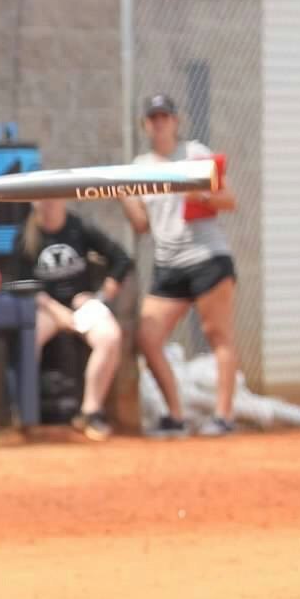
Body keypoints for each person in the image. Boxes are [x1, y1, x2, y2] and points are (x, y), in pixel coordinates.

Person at [119, 94, 239, 436]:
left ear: (175, 121)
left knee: (219, 334)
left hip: (206, 257)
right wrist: (126, 198)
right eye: (153, 117)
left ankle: (223, 415)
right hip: (168, 262)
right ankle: (176, 414)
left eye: (165, 117)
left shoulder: (194, 154)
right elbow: (142, 226)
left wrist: (198, 193)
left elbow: (229, 199)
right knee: (148, 336)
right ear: (145, 124)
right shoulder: (139, 167)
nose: (159, 123)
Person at [21, 199, 133, 441]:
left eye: (51, 198)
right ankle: (27, 416)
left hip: (80, 305)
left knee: (110, 336)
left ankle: (90, 412)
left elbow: (122, 259)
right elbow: (19, 283)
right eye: (40, 198)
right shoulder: (25, 235)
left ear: (62, 199)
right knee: (29, 338)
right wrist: (53, 309)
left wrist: (101, 296)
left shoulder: (78, 227)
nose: (47, 204)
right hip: (48, 308)